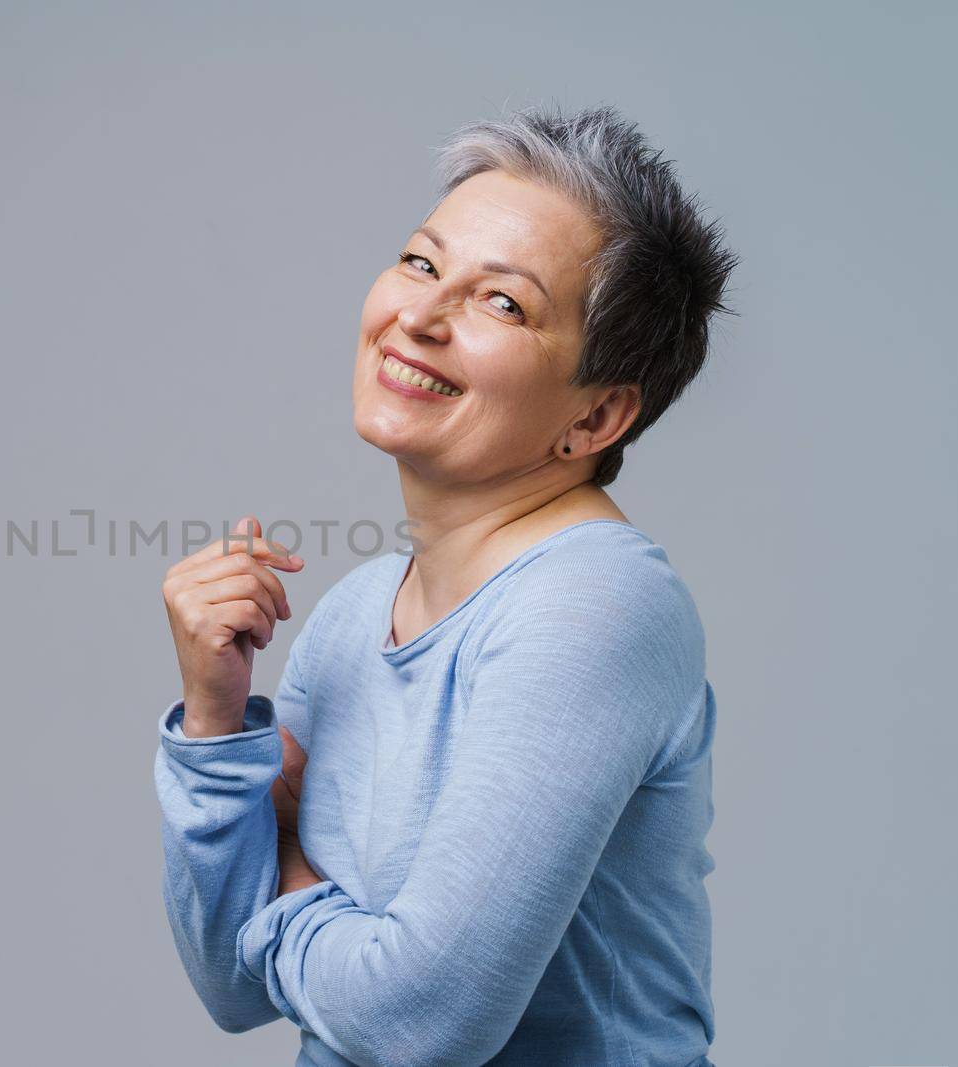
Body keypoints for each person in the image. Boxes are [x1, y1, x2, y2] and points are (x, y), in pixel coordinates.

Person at [153, 103, 737, 1067]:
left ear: (596, 417)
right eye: (422, 263)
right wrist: (217, 727)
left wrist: (286, 867)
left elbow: (419, 1022)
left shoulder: (593, 607)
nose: (418, 317)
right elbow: (229, 985)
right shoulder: (352, 614)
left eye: (502, 303)